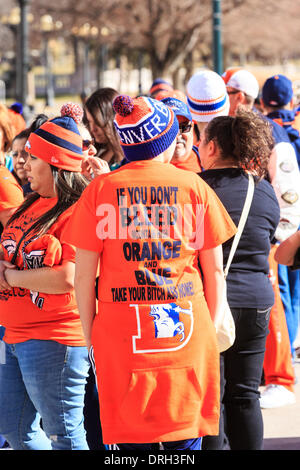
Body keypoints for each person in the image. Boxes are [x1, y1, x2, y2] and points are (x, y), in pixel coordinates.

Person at [62, 94, 237, 450]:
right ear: (169, 140)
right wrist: (212, 329)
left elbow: (83, 276)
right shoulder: (195, 187)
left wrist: (89, 334)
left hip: (119, 337)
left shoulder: (100, 190)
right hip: (188, 332)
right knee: (184, 442)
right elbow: (215, 272)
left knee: (130, 445)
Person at [0, 103, 91, 450]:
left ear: (55, 164)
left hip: (55, 338)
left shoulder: (77, 208)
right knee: (13, 424)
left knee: (64, 434)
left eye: (32, 157)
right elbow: (7, 248)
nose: (23, 164)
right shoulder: (30, 202)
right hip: (13, 335)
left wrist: (13, 278)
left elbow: (69, 276)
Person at [198, 108, 280, 450]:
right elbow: (270, 233)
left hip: (209, 302)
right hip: (256, 302)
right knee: (246, 394)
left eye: (201, 141)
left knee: (211, 398)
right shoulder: (262, 191)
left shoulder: (197, 189)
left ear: (214, 147)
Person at [223, 68, 300, 408]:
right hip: (252, 234)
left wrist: (277, 239)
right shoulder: (236, 128)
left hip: (266, 238)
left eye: (226, 91)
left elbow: (288, 192)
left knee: (275, 300)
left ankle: (281, 377)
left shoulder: (270, 132)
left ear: (239, 96)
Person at [260, 74, 300, 406]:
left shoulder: (267, 131)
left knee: (280, 292)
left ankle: (279, 371)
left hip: (281, 230)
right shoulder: (291, 126)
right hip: (290, 225)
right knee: (289, 293)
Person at [83, 87, 124, 169]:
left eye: (98, 122)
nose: (92, 128)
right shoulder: (95, 150)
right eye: (90, 121)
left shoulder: (127, 159)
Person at [160, 96, 201, 172]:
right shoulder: (147, 167)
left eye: (184, 127)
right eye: (170, 128)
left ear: (192, 128)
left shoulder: (209, 160)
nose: (178, 134)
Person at [10, 114, 49, 195]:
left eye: (25, 153)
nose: (20, 160)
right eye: (15, 154)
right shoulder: (7, 184)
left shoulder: (46, 192)